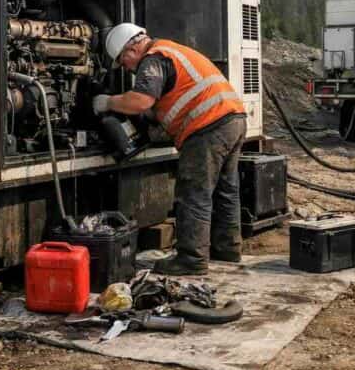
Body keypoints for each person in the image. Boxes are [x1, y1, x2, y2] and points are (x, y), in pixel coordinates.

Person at [92, 23, 246, 276]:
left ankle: (191, 260)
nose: (128, 68)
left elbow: (141, 100)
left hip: (207, 127)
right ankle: (227, 248)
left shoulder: (153, 59)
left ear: (132, 47)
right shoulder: (171, 50)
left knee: (193, 193)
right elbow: (171, 97)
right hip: (232, 119)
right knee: (225, 190)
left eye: (124, 61)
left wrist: (108, 102)